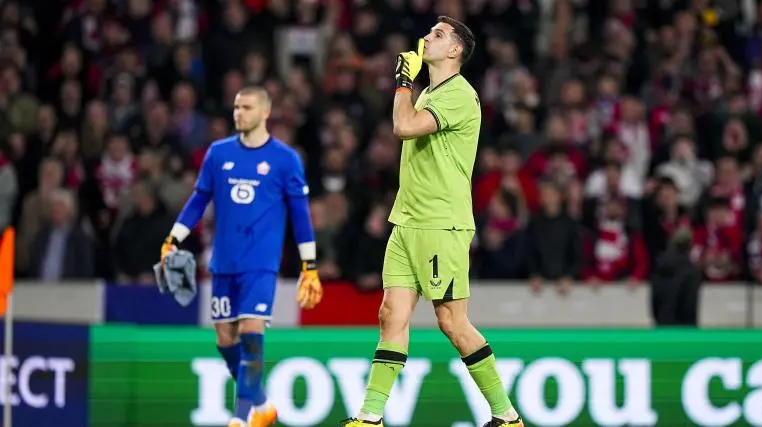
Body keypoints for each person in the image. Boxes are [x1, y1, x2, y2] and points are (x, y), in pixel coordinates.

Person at [341, 16, 523, 427]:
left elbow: (403, 127)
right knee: (391, 314)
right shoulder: (429, 92)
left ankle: (506, 416)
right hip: (407, 220)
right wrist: (410, 86)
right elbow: (403, 127)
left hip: (442, 223)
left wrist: (403, 82)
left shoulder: (459, 95)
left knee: (451, 322)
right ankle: (369, 417)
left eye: (437, 35)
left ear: (456, 50)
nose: (426, 38)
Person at [161, 86, 323, 427]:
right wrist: (173, 238)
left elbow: (301, 216)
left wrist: (310, 266)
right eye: (236, 107)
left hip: (261, 265)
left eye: (246, 107)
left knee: (251, 333)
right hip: (223, 263)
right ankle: (262, 403)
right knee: (224, 339)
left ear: (265, 112)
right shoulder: (218, 154)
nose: (239, 113)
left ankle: (240, 417)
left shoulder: (285, 159)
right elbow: (198, 200)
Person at [650, 228, 703, 326]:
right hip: (684, 331)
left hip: (662, 327)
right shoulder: (691, 271)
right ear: (690, 246)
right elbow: (690, 306)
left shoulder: (659, 266)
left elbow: (654, 302)